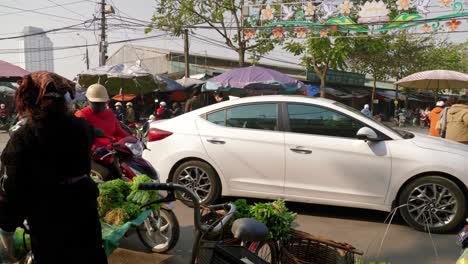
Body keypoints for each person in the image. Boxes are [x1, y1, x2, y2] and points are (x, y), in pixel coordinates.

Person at [0, 71, 107, 264]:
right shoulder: (82, 127)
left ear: (28, 100)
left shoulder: (23, 137)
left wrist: (6, 227)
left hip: (49, 224)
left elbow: (12, 191)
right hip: (85, 215)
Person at [75, 83, 129, 148]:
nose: (100, 106)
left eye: (102, 102)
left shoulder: (110, 113)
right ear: (87, 99)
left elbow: (120, 132)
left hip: (115, 153)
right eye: (96, 103)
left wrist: (133, 140)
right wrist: (108, 146)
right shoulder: (81, 115)